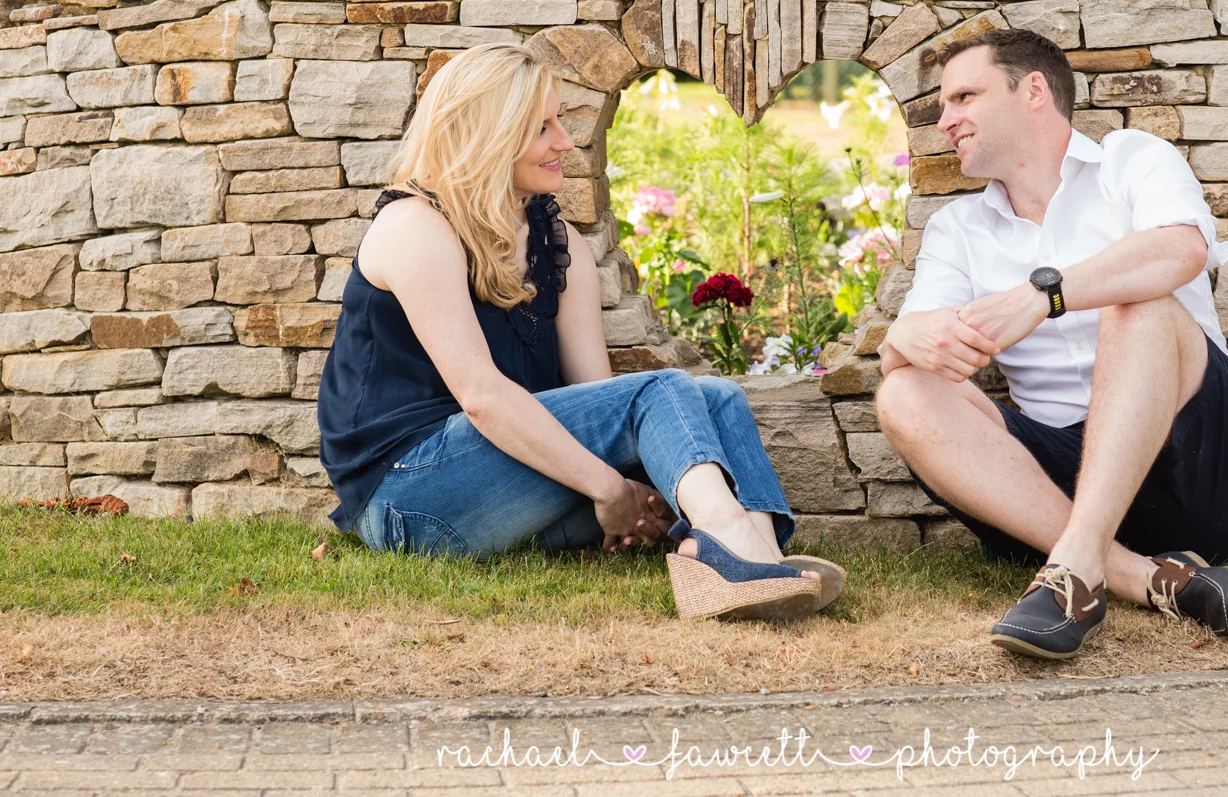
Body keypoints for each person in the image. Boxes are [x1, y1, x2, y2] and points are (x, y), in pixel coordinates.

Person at [317, 43, 844, 623]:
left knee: (716, 396)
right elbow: (483, 396)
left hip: (503, 479)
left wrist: (623, 479)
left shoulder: (554, 241)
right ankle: (727, 550)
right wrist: (611, 491)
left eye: (560, 120)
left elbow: (601, 400)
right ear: (486, 136)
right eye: (542, 127)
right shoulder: (415, 227)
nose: (566, 142)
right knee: (662, 389)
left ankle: (761, 563)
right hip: (407, 497)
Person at [875, 28, 1228, 660]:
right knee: (903, 393)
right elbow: (917, 347)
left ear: (1033, 91)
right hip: (1057, 484)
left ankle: (1075, 569)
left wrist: (1045, 296)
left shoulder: (1132, 159)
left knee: (1137, 299)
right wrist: (902, 338)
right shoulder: (957, 230)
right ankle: (1135, 576)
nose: (944, 119)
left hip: (1204, 461)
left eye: (963, 97)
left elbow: (1181, 249)